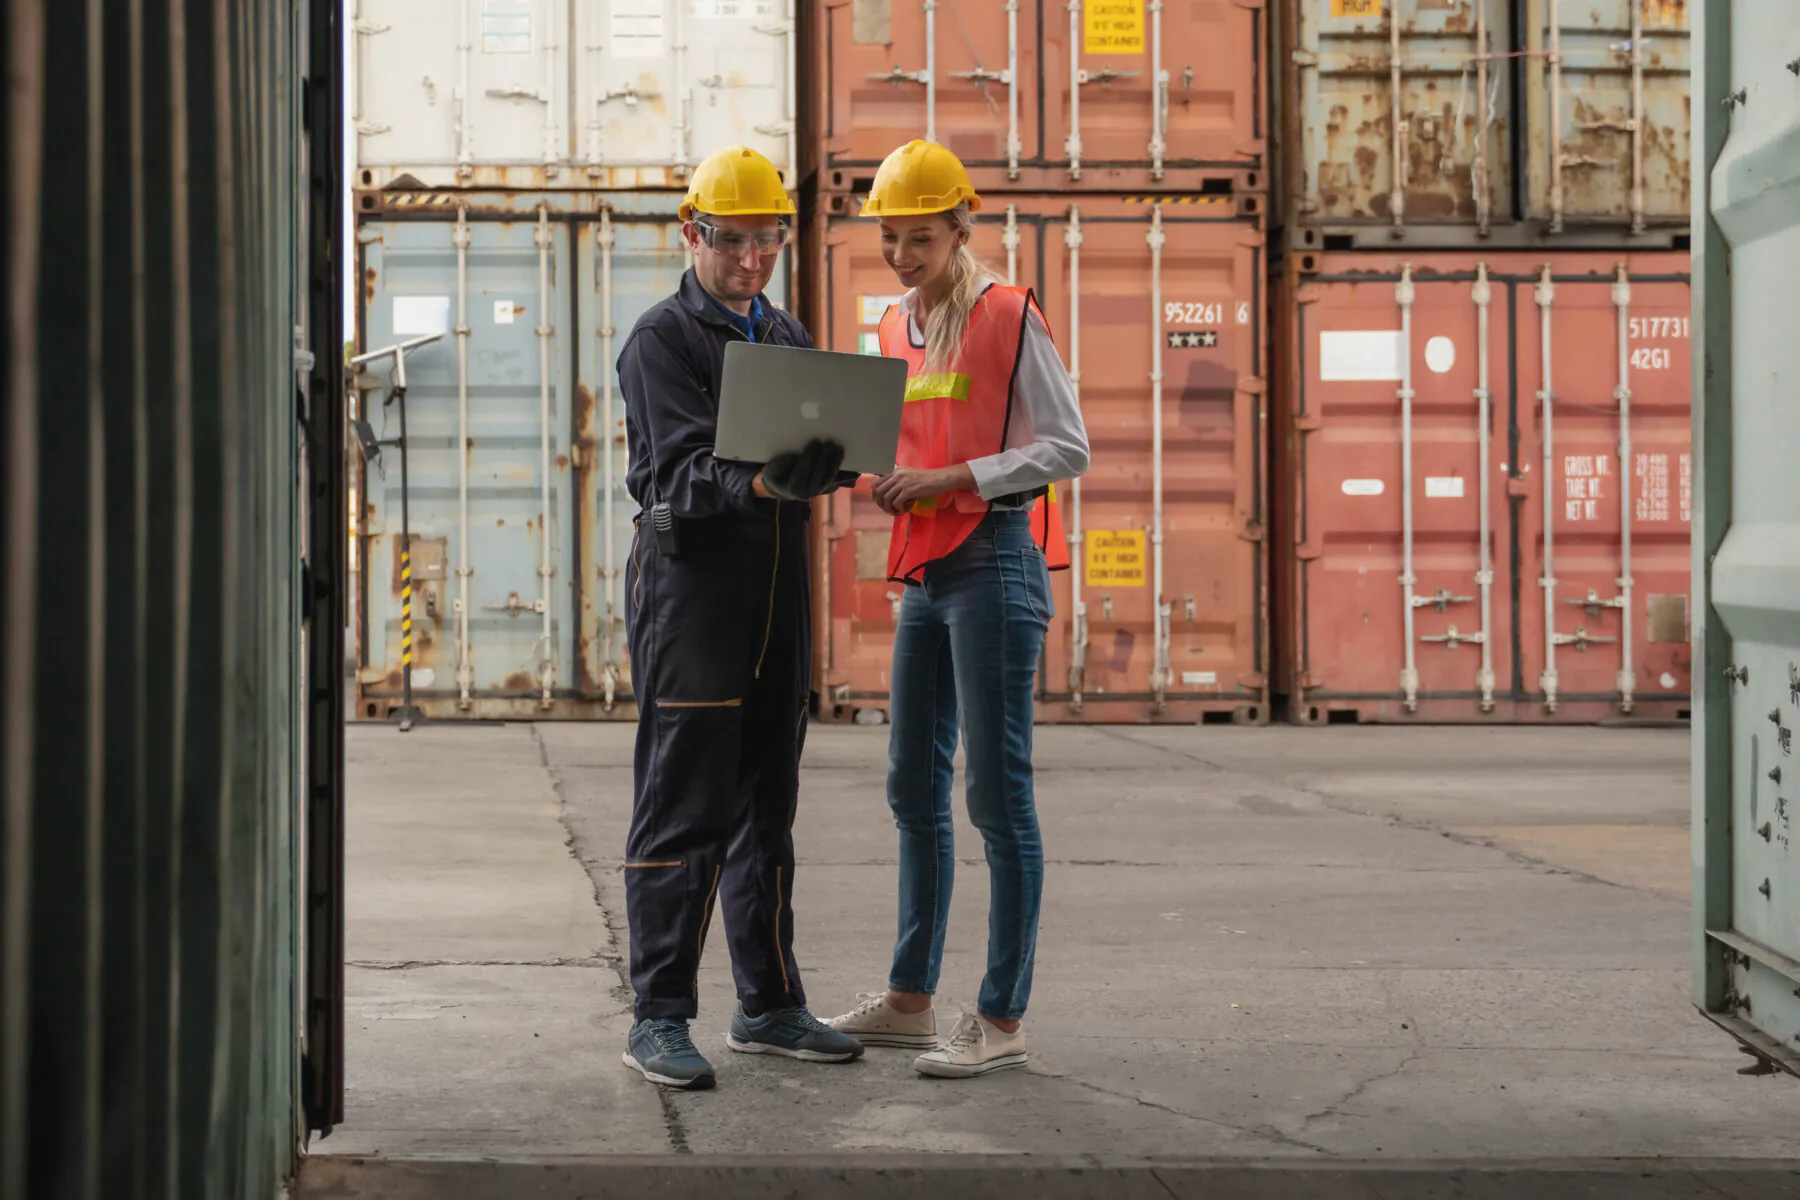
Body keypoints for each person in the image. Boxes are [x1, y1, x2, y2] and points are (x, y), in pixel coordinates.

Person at [826, 141, 1089, 1078]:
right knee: (911, 786)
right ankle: (909, 999)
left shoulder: (1009, 315)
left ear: (961, 228)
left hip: (995, 563)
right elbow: (894, 439)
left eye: (921, 240)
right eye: (890, 239)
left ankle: (1002, 1017)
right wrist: (855, 468)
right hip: (926, 576)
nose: (902, 257)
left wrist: (949, 478)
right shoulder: (890, 327)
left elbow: (1068, 446)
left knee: (997, 796)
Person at [616, 144, 863, 1090]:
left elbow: (809, 453)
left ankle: (767, 1005)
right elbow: (668, 473)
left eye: (767, 242)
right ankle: (658, 1016)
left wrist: (828, 465)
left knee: (768, 810)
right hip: (694, 601)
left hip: (773, 604)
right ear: (692, 234)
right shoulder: (662, 341)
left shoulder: (789, 338)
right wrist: (758, 478)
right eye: (732, 242)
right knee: (684, 807)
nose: (751, 261)